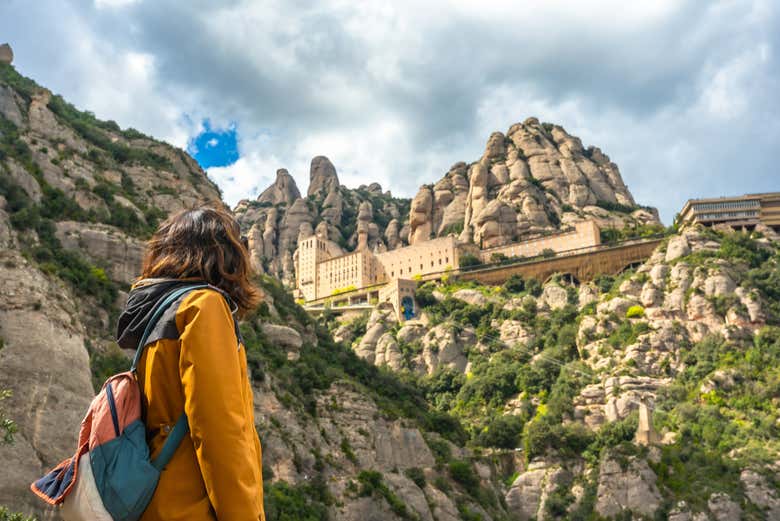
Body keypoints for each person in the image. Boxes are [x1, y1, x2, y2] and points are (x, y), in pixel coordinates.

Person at [115, 207, 265, 520]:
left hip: (153, 504)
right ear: (225, 256)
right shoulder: (203, 306)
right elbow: (219, 432)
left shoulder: (159, 315)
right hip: (190, 508)